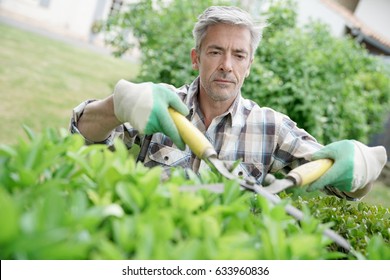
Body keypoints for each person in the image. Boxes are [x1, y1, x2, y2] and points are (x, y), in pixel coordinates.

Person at [70, 6, 387, 200]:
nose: (227, 65)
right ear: (197, 58)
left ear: (249, 65)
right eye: (215, 51)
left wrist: (360, 169)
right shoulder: (158, 106)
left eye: (239, 55)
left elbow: (343, 187)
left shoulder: (270, 128)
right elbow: (82, 136)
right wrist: (118, 104)